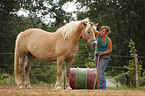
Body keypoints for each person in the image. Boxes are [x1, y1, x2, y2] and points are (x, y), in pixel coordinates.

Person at [94, 26, 112, 90]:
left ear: (106, 32)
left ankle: (103, 88)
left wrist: (102, 53)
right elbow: (92, 30)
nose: (101, 32)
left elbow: (110, 50)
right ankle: (100, 86)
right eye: (101, 30)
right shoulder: (98, 35)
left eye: (103, 31)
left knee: (101, 72)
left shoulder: (108, 39)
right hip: (96, 55)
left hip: (104, 57)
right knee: (98, 72)